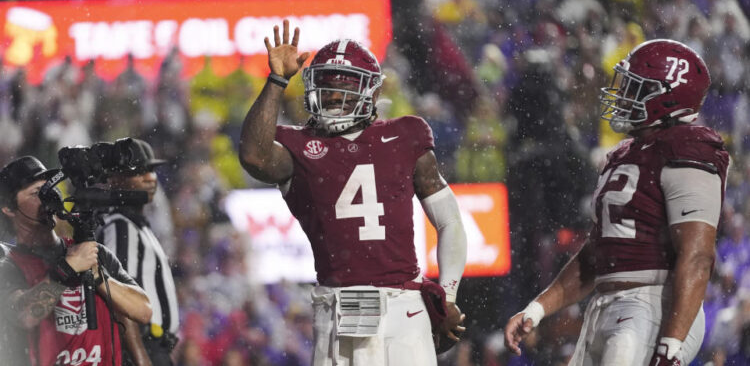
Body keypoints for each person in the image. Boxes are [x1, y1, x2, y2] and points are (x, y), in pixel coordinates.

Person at [238, 20, 467, 365]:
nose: (333, 95)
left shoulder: (406, 135)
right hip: (334, 312)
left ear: (372, 92)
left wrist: (448, 295)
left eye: (346, 85)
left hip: (401, 307)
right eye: (327, 85)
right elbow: (254, 155)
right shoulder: (300, 145)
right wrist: (276, 80)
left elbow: (449, 220)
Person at [504, 39, 730, 366]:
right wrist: (537, 309)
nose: (624, 97)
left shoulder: (688, 150)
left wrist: (670, 345)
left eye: (636, 89)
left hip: (653, 303)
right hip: (604, 307)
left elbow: (697, 257)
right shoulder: (625, 154)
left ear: (665, 96)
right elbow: (597, 253)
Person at [0, 156, 152, 366]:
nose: (48, 198)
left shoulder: (93, 252)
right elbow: (24, 315)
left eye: (50, 188)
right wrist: (67, 268)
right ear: (8, 208)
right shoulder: (8, 266)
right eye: (37, 193)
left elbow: (143, 310)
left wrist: (99, 277)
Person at [98, 138, 179, 366]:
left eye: (151, 171)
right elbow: (120, 298)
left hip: (153, 346)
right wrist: (140, 355)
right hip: (142, 347)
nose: (149, 178)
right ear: (114, 180)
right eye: (139, 172)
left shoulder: (136, 225)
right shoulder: (120, 226)